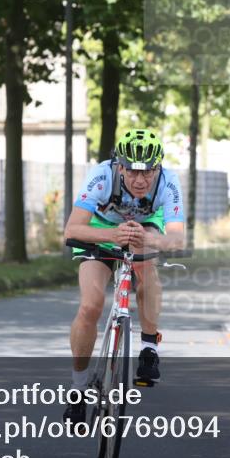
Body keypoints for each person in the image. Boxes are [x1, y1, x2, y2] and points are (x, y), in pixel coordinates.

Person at [61, 129, 185, 424]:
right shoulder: (101, 175)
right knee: (90, 306)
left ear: (158, 168)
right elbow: (72, 229)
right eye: (131, 172)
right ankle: (77, 391)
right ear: (119, 166)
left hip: (144, 231)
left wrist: (151, 240)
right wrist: (111, 235)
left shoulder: (169, 182)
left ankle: (149, 347)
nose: (140, 181)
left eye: (148, 172)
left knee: (146, 266)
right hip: (102, 232)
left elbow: (178, 239)